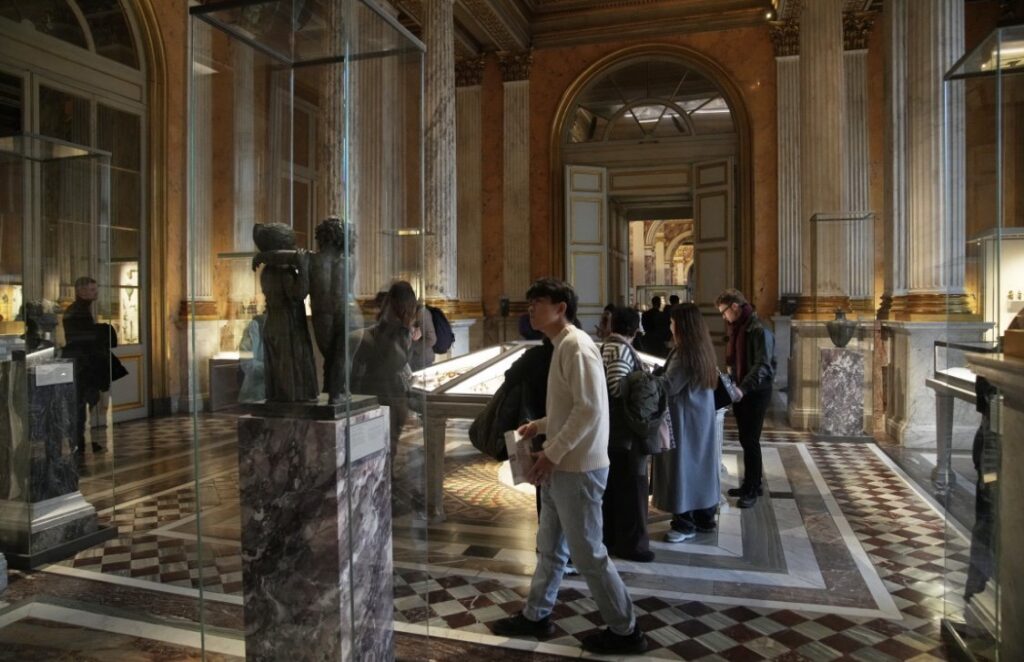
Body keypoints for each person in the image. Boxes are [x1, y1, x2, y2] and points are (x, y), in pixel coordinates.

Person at [491, 278, 644, 655]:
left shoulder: (575, 346)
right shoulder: (563, 345)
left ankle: (626, 631)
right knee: (550, 548)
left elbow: (591, 408)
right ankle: (536, 615)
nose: (531, 309)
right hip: (565, 468)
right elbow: (574, 406)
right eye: (530, 303)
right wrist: (540, 426)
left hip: (578, 469)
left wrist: (551, 452)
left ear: (561, 308)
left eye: (538, 302)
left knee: (589, 553)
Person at [651, 303, 720, 540]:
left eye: (672, 321)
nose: (670, 324)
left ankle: (684, 523)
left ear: (681, 325)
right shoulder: (701, 348)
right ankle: (704, 517)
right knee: (700, 467)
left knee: (682, 468)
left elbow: (669, 386)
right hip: (699, 418)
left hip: (683, 420)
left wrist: (650, 378)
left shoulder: (684, 353)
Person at [600, 306, 654, 562]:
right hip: (623, 432)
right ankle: (630, 544)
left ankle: (612, 538)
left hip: (615, 431)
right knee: (630, 486)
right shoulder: (620, 348)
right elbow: (616, 388)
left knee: (617, 486)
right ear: (634, 327)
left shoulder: (611, 345)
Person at [350, 280, 422, 464]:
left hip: (374, 391)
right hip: (390, 393)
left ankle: (382, 480)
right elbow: (396, 361)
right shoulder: (400, 329)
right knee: (388, 442)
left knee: (376, 446)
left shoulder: (391, 325)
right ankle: (386, 480)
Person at [717, 289, 775, 508]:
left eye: (724, 312)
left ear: (734, 307)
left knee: (750, 441)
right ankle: (752, 482)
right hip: (743, 390)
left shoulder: (758, 329)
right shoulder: (739, 328)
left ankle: (752, 489)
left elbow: (763, 365)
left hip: (756, 392)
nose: (724, 317)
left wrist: (743, 388)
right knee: (745, 439)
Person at [251, 223, 319, 402]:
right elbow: (299, 294)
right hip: (287, 322)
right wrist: (304, 269)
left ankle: (283, 396)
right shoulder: (283, 272)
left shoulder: (268, 270)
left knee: (281, 362)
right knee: (289, 362)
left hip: (276, 320)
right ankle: (293, 398)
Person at [62, 277, 128, 454]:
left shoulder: (81, 310)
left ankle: (82, 441)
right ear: (81, 291)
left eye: (95, 289)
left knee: (87, 404)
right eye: (91, 290)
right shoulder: (77, 311)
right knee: (81, 406)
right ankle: (78, 443)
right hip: (83, 365)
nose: (95, 293)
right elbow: (80, 338)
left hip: (85, 364)